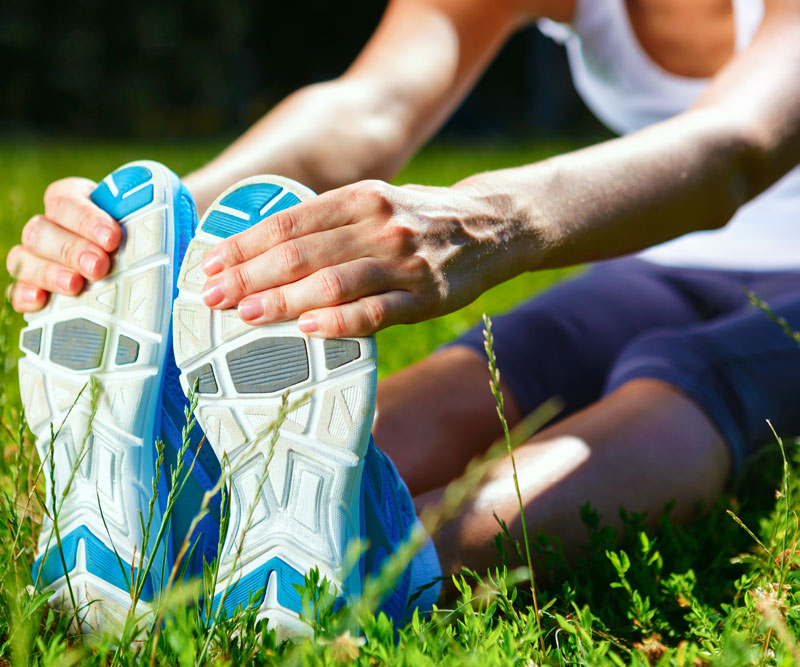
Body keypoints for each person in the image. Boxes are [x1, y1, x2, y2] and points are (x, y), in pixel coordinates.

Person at [8, 0, 800, 629]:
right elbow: (373, 106)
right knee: (495, 361)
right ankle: (201, 522)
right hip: (661, 260)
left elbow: (737, 147)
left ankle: (397, 564)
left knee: (687, 381)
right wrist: (149, 231)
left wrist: (493, 219)